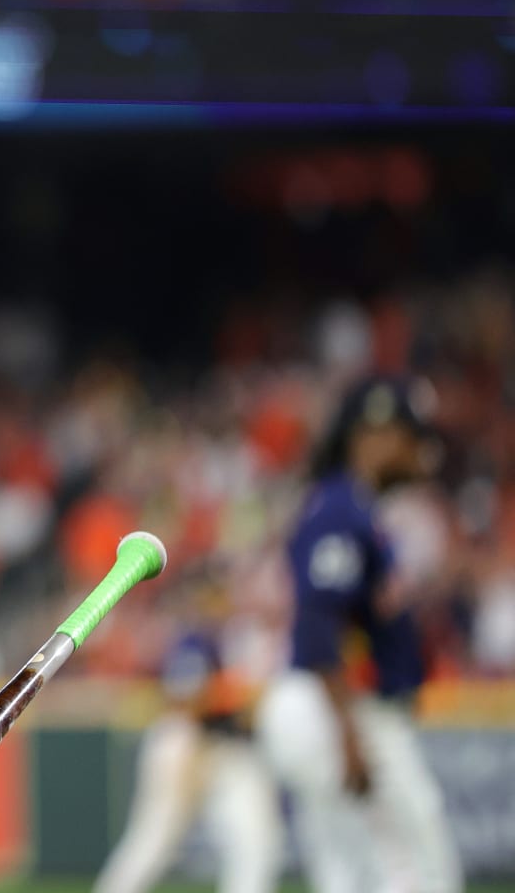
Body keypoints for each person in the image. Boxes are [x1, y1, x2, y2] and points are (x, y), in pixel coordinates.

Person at [255, 376, 462, 893]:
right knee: (420, 866)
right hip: (333, 709)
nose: (422, 451)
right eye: (409, 437)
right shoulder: (340, 507)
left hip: (329, 707)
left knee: (349, 873)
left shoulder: (353, 507)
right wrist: (348, 736)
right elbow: (318, 621)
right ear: (373, 437)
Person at [93, 570, 282, 893]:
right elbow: (185, 702)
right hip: (185, 743)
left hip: (220, 750)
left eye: (221, 596)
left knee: (257, 841)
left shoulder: (224, 640)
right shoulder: (194, 639)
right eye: (213, 596)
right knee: (153, 840)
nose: (221, 604)